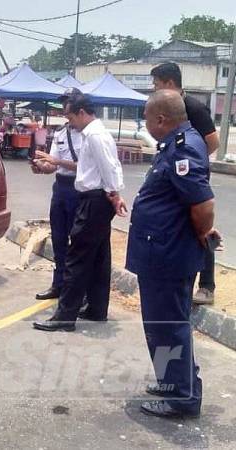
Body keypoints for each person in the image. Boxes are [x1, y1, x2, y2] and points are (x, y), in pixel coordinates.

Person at [126, 90, 219, 418]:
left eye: (147, 118)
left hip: (168, 256)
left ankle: (181, 397)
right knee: (165, 325)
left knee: (167, 326)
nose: (146, 124)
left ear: (161, 119)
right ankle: (174, 384)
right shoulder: (179, 141)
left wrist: (200, 234)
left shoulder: (183, 148)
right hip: (162, 252)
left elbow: (203, 205)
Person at [32, 90, 127, 332]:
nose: (69, 121)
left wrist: (114, 194)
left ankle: (64, 317)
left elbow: (109, 169)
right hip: (97, 198)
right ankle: (96, 309)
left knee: (77, 258)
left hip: (94, 200)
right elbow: (110, 169)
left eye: (70, 116)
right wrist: (113, 195)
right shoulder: (95, 133)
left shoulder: (94, 136)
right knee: (98, 258)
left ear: (82, 112)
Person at [150, 62, 219, 305]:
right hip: (174, 179)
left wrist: (191, 162)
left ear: (169, 82)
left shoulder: (192, 107)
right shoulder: (166, 108)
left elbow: (213, 141)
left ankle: (207, 285)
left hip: (191, 179)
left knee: (201, 228)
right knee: (181, 229)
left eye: (156, 84)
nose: (154, 89)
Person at [31, 120, 83, 300]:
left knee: (78, 241)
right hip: (61, 188)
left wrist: (58, 161)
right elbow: (52, 166)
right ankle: (58, 285)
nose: (65, 111)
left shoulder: (89, 134)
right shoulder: (61, 133)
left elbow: (87, 166)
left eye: (68, 106)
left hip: (80, 188)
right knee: (59, 239)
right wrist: (41, 166)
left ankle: (78, 290)